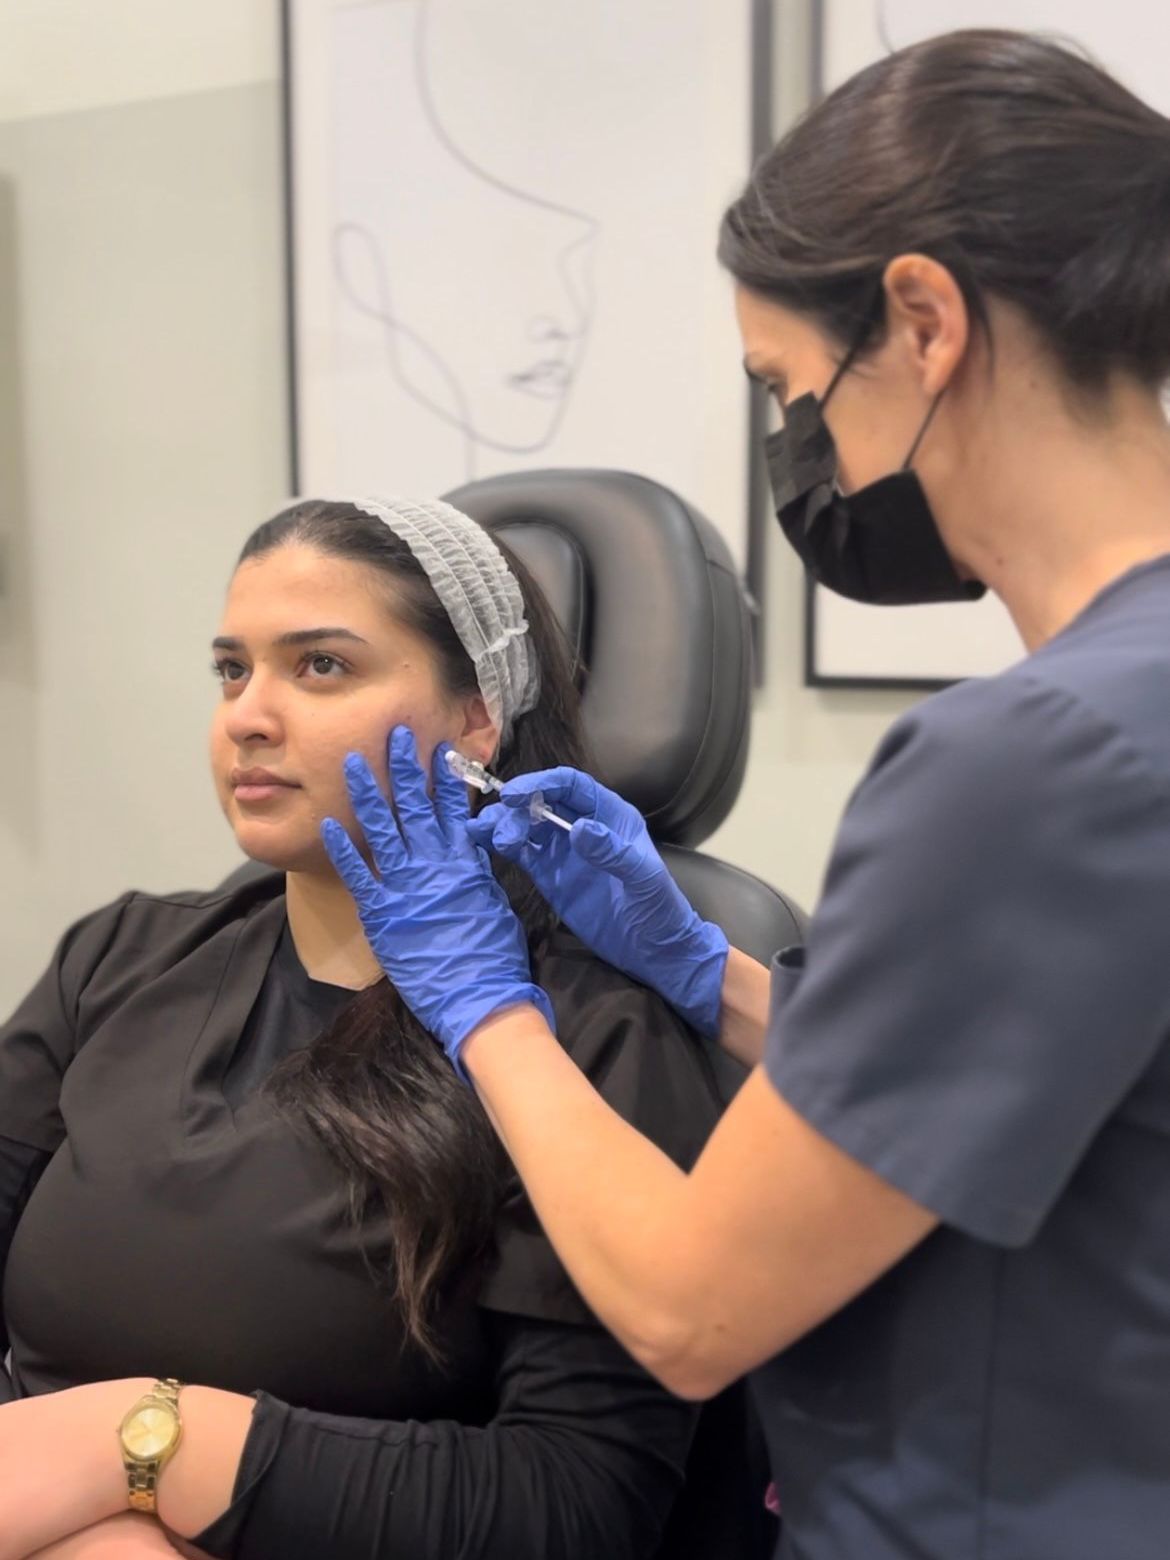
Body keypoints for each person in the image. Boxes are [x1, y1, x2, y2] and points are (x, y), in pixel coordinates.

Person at [313, 30, 1170, 1560]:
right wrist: (705, 973)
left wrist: (482, 1000)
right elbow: (1029, 1080)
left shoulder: (1031, 764)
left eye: (794, 391)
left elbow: (686, 1306)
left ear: (922, 320)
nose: (810, 459)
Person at [0, 497, 723, 1558]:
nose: (249, 714)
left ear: (479, 720)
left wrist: (147, 1454)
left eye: (321, 667)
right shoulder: (122, 957)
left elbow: (581, 1501)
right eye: (232, 670)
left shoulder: (590, 1034)